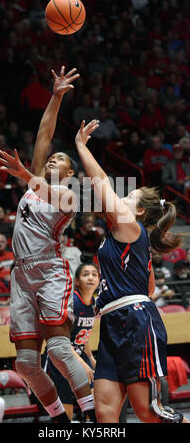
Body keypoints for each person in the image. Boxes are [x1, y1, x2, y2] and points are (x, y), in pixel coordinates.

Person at [0, 66, 97, 423]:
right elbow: (44, 133)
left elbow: (44, 188)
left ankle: (90, 413)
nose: (53, 158)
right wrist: (56, 96)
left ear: (70, 173)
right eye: (51, 157)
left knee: (57, 348)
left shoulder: (69, 195)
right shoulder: (33, 182)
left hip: (49, 269)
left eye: (61, 159)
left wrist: (26, 175)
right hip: (20, 272)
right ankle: (59, 418)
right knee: (25, 362)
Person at [74, 118, 189, 423]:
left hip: (135, 322)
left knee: (149, 413)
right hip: (113, 322)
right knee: (105, 414)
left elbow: (100, 183)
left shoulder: (129, 224)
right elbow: (150, 288)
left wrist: (81, 147)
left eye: (128, 197)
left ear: (138, 211)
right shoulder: (126, 236)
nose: (121, 198)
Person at [46, 262, 99, 421]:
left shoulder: (92, 303)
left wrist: (90, 358)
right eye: (85, 274)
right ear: (77, 281)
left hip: (78, 356)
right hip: (60, 359)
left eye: (94, 274)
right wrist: (82, 364)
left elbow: (84, 335)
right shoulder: (72, 302)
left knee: (97, 403)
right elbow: (61, 339)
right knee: (65, 416)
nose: (90, 278)